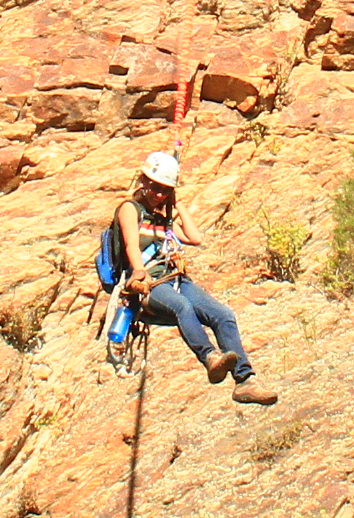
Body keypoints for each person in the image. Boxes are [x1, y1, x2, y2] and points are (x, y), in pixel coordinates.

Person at [107, 150, 277, 404]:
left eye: (165, 190)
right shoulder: (130, 209)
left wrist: (178, 205)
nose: (158, 194)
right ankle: (210, 357)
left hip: (176, 280)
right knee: (182, 307)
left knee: (223, 315)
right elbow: (132, 244)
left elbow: (195, 238)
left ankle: (245, 381)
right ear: (143, 181)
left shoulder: (162, 220)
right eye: (155, 187)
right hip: (149, 284)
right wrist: (139, 272)